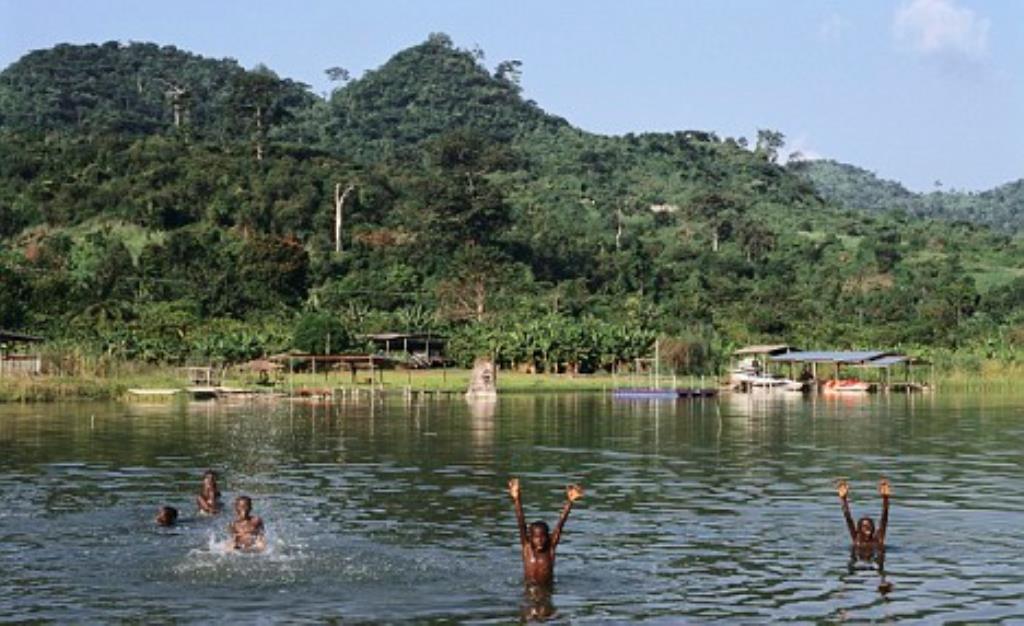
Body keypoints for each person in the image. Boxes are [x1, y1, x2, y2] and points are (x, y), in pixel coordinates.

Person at [508, 477, 583, 587]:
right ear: (530, 537)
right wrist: (517, 499)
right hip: (529, 592)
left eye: (543, 537)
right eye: (536, 537)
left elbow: (560, 526)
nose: (540, 541)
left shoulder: (550, 549)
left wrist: (570, 502)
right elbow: (521, 522)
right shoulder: (527, 547)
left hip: (547, 592)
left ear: (548, 537)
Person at [836, 478, 890, 553]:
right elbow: (848, 519)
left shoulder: (878, 539)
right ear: (859, 530)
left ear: (873, 528)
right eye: (864, 526)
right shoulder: (857, 539)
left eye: (869, 526)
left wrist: (886, 498)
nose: (868, 528)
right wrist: (843, 499)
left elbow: (884, 519)